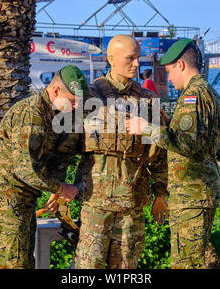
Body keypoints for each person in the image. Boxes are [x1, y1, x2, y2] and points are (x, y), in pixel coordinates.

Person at [127, 38, 220, 269]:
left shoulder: (193, 96)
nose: (169, 77)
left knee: (186, 264)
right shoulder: (209, 93)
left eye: (170, 70)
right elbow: (201, 137)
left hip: (192, 192)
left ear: (181, 65)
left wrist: (146, 128)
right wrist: (170, 124)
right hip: (199, 190)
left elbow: (188, 143)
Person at [73, 34, 169, 269]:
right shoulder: (89, 97)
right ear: (111, 59)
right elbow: (65, 147)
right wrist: (58, 188)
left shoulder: (147, 101)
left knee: (126, 269)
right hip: (95, 203)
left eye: (138, 58)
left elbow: (161, 155)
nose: (137, 64)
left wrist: (160, 193)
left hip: (131, 206)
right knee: (87, 268)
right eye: (130, 58)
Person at [0, 65, 89, 269]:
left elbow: (59, 155)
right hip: (6, 199)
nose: (75, 107)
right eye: (72, 101)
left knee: (24, 260)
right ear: (55, 91)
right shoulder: (30, 114)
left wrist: (56, 188)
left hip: (24, 198)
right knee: (13, 263)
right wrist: (60, 188)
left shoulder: (58, 112)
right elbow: (25, 169)